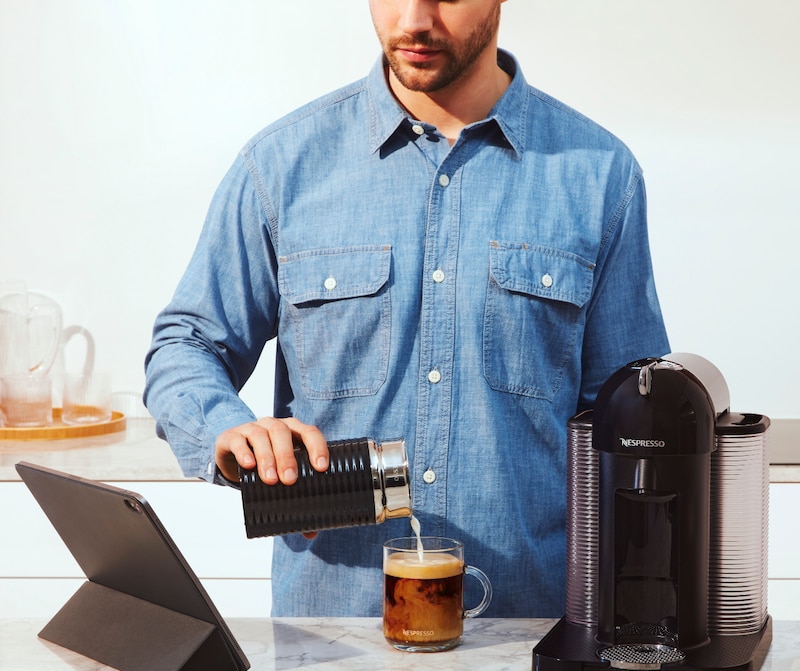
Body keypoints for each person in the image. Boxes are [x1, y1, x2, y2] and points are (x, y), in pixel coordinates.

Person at [144, 0, 670, 617]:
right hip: (332, 650)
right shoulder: (280, 167)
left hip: (529, 642)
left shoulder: (599, 175)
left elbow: (633, 425)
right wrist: (225, 430)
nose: (414, 20)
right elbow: (187, 343)